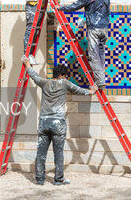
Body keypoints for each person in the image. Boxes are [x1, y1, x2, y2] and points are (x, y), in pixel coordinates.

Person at [23, 56, 97, 185]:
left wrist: (27, 63)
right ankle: (58, 179)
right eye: (65, 76)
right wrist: (92, 91)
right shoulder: (64, 83)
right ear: (62, 75)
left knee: (41, 153)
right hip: (58, 124)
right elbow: (80, 90)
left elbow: (33, 75)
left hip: (44, 122)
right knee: (58, 153)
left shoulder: (44, 82)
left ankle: (40, 180)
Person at [59, 0, 110, 89]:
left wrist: (61, 7)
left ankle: (100, 80)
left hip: (94, 29)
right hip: (104, 29)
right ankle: (101, 77)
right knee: (101, 54)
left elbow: (75, 6)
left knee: (94, 55)